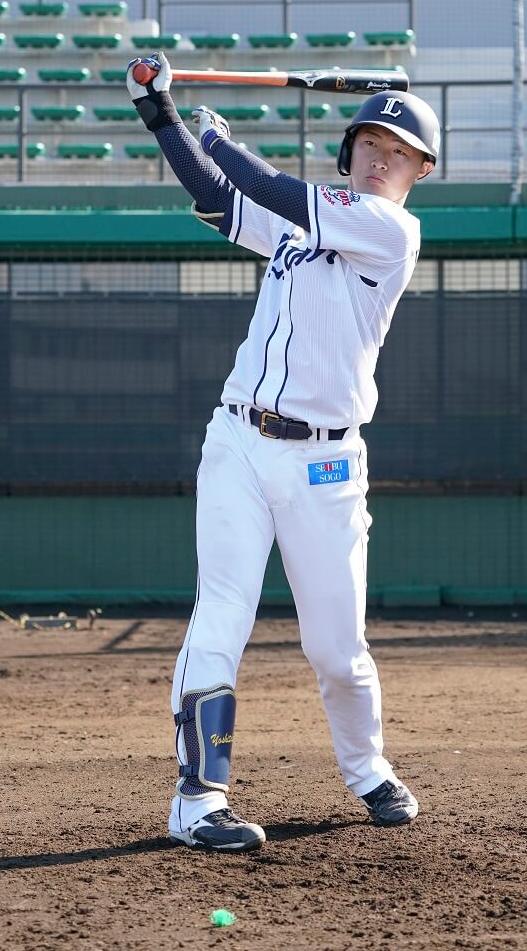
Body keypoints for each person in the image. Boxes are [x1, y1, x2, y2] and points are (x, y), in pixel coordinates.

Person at [126, 53, 440, 853]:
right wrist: (161, 115)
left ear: (421, 171)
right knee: (221, 613)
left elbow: (266, 186)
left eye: (398, 151)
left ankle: (367, 768)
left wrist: (220, 134)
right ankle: (198, 800)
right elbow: (222, 201)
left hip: (327, 465)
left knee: (336, 649)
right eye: (370, 142)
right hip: (238, 438)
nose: (380, 156)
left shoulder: (392, 230)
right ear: (349, 151)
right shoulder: (304, 231)